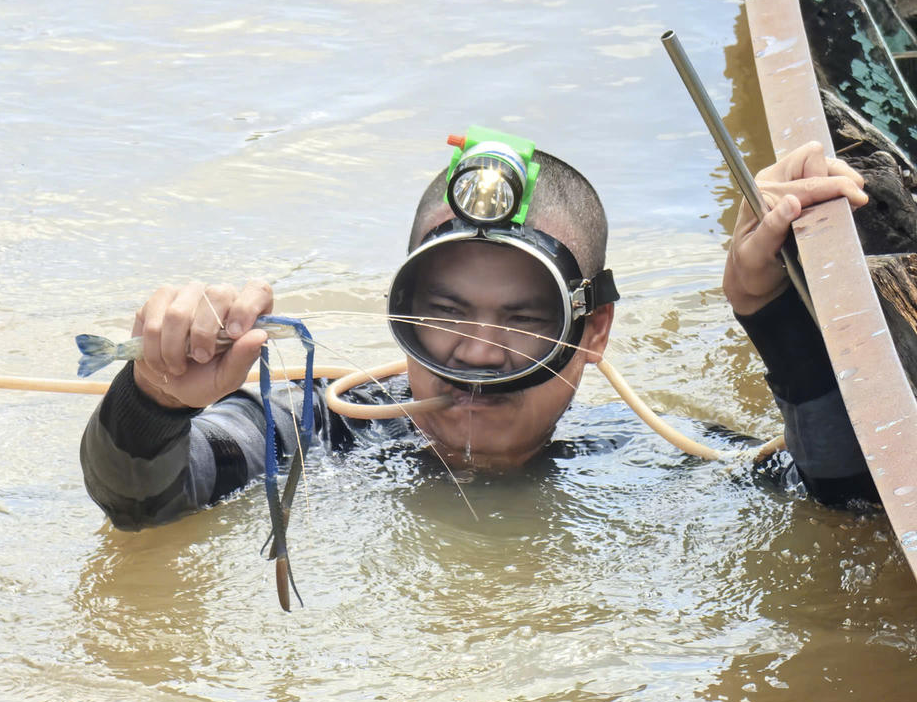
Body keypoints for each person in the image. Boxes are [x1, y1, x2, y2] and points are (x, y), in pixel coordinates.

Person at [80, 130, 875, 530]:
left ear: (591, 333)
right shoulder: (318, 427)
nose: (476, 352)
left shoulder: (651, 465)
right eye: (445, 313)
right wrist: (155, 395)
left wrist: (771, 313)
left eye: (524, 321)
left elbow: (849, 507)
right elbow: (143, 504)